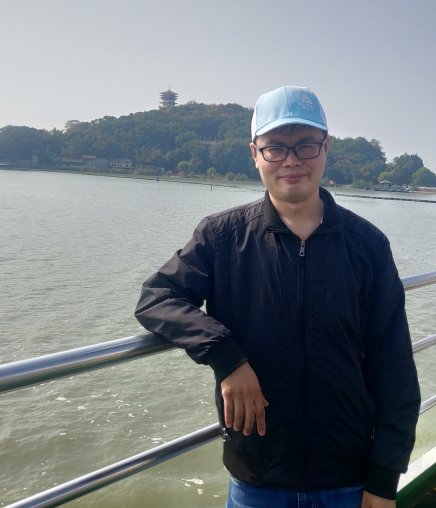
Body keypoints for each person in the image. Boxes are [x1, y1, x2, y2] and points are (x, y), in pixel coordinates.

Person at [135, 85, 421, 508]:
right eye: (275, 148)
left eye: (306, 144)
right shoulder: (222, 237)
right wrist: (226, 356)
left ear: (326, 148)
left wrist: (384, 479)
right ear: (255, 154)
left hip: (349, 479)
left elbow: (394, 368)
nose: (291, 160)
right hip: (258, 479)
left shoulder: (368, 246)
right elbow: (158, 297)